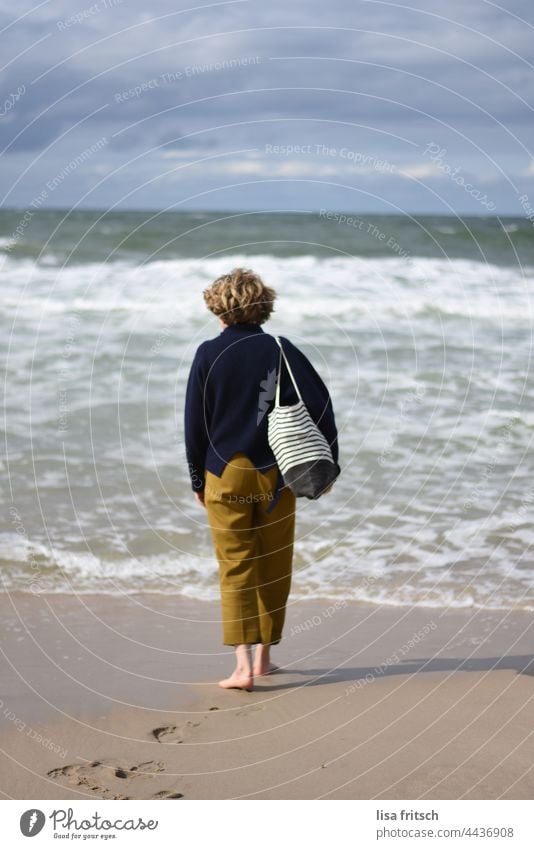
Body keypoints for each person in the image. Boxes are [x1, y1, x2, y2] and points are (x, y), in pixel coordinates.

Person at [184, 268, 339, 691]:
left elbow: (195, 424)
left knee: (235, 568)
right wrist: (329, 465)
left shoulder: (207, 353)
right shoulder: (279, 348)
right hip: (277, 475)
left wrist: (198, 479)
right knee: (273, 566)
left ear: (219, 307)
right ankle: (266, 660)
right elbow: (321, 407)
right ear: (262, 305)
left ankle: (242, 667)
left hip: (225, 473)